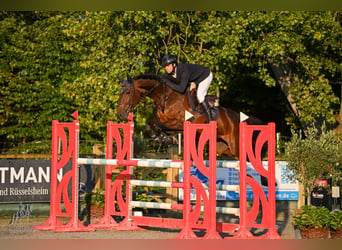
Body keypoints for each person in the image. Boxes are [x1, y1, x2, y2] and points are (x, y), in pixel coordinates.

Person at [161, 54, 213, 121]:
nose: (166, 68)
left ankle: (210, 120)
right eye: (165, 66)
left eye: (168, 66)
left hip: (206, 76)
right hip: (196, 79)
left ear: (174, 65)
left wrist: (167, 82)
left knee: (200, 96)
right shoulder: (171, 73)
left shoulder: (183, 70)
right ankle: (195, 112)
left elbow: (181, 89)